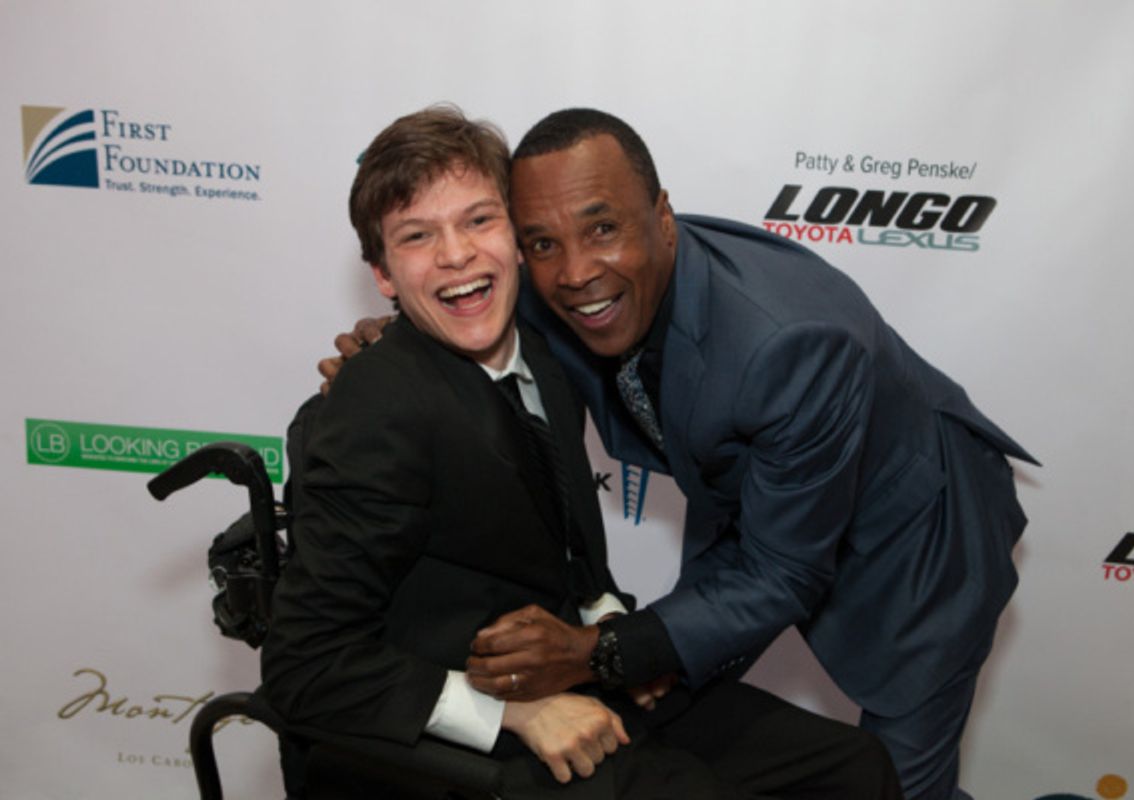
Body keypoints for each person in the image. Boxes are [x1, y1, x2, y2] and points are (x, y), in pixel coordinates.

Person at [328, 108, 1035, 800]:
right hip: (754, 514)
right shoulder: (560, 284)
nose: (575, 271)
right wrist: (391, 343)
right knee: (678, 702)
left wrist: (598, 651)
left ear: (662, 217)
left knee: (895, 782)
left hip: (915, 534)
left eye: (602, 228)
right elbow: (458, 300)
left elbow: (784, 570)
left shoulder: (791, 342)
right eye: (541, 242)